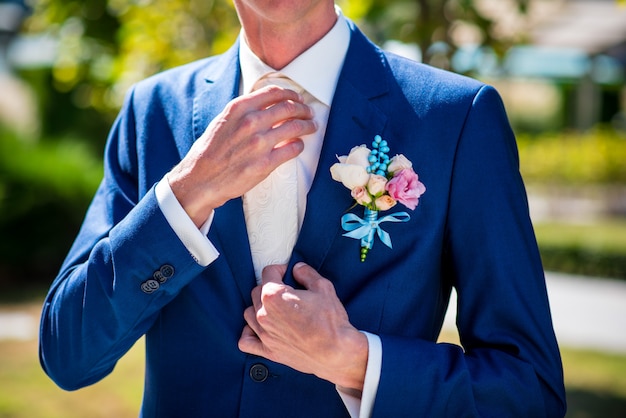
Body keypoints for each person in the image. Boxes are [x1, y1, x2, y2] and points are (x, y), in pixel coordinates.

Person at [39, 1, 566, 416]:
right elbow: (69, 355)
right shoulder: (152, 112)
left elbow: (529, 391)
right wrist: (187, 194)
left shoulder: (454, 120)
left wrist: (357, 362)